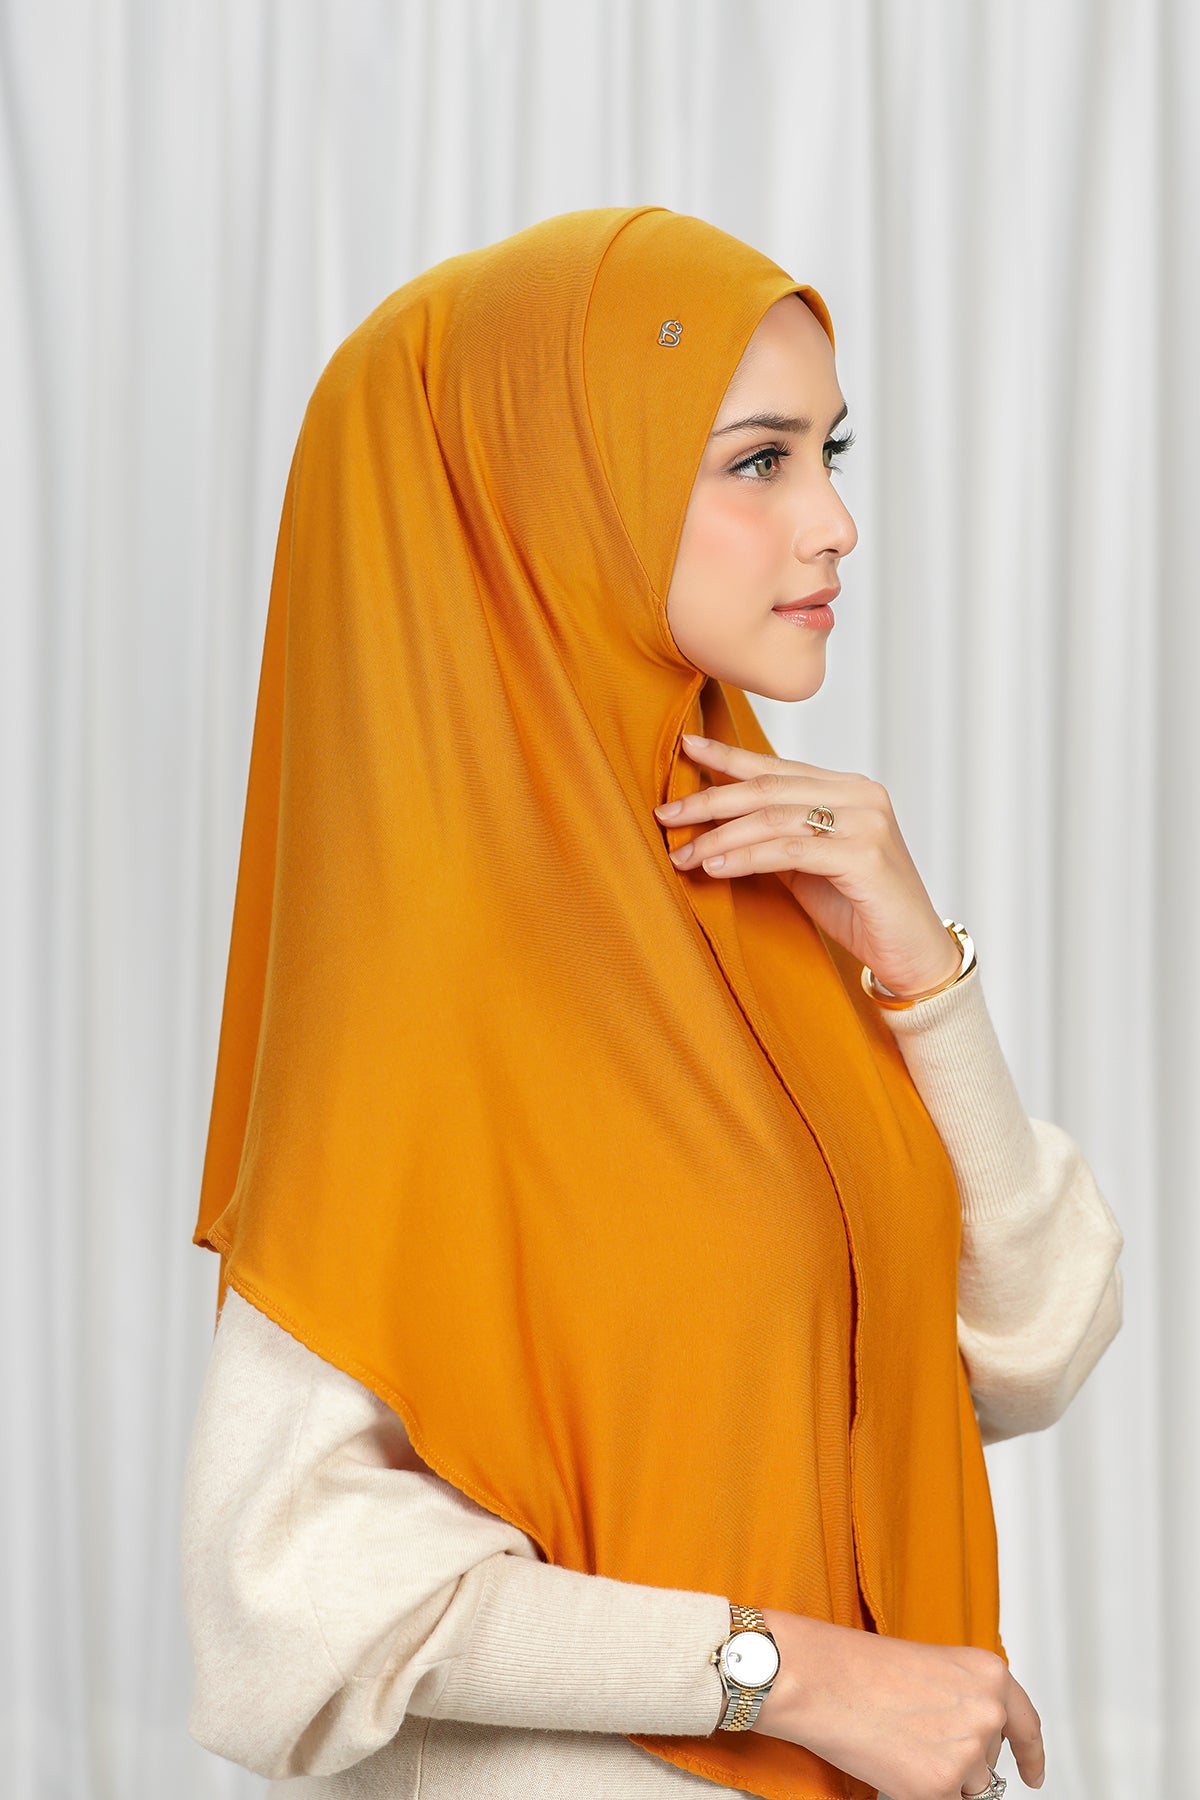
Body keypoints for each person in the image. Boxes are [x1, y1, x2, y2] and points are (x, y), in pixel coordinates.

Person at [181, 205, 1124, 1800]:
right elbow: (286, 1602)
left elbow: (1029, 1347)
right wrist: (792, 1675)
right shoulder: (435, 974)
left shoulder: (768, 906)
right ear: (564, 497)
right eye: (757, 462)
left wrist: (922, 973)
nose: (834, 522)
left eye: (831, 451)